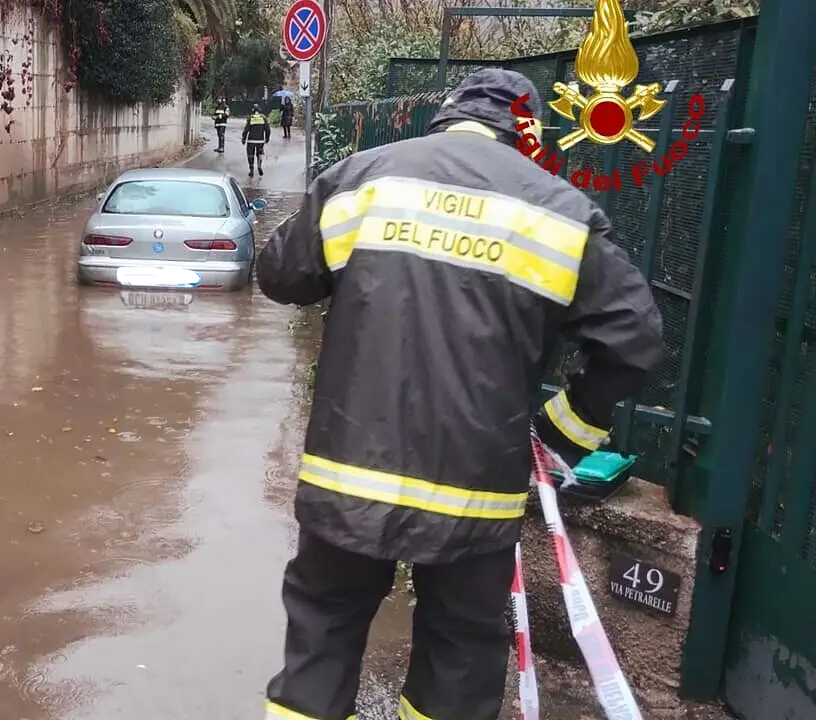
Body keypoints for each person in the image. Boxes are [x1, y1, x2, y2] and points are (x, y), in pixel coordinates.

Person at [254, 68, 663, 720]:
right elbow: (635, 341)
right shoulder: (559, 212)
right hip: (476, 493)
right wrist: (563, 429)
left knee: (321, 642)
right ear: (529, 135)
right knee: (460, 658)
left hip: (348, 475)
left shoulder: (364, 178)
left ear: (445, 116)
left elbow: (279, 276)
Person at [242, 104, 271, 178]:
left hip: (251, 140)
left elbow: (246, 129)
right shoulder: (263, 117)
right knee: (260, 154)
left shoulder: (250, 118)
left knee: (250, 155)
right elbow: (267, 129)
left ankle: (251, 170)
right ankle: (259, 166)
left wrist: (243, 138)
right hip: (260, 141)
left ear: (253, 110)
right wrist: (267, 138)